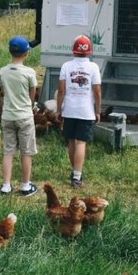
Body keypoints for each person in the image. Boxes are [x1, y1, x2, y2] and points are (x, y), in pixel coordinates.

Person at [56, 35, 102, 188]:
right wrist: (98, 110)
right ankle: (77, 177)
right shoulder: (93, 67)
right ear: (89, 51)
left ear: (73, 50)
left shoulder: (66, 66)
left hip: (69, 110)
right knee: (81, 142)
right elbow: (97, 92)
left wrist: (59, 109)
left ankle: (75, 171)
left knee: (71, 141)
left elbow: (61, 90)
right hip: (86, 111)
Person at [0, 35, 39, 196]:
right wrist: (30, 105)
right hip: (24, 116)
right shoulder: (29, 72)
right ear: (26, 53)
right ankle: (26, 185)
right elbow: (32, 94)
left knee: (8, 151)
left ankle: (6, 185)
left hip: (7, 115)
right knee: (26, 151)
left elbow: (2, 90)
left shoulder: (2, 71)